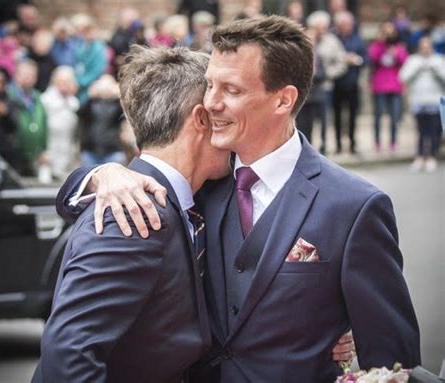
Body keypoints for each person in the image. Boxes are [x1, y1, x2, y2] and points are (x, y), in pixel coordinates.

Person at [57, 16, 420, 382]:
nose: (210, 103)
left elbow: (392, 361)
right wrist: (101, 174)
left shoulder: (354, 207)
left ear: (283, 100)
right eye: (209, 85)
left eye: (230, 89)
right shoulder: (200, 183)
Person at [32, 45, 225, 383]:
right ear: (201, 119)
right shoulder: (131, 215)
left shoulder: (194, 195)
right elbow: (69, 356)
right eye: (220, 108)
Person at [400, 35, 445, 173]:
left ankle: (431, 156)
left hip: (434, 101)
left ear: (431, 47)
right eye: (423, 47)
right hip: (418, 101)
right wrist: (417, 70)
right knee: (421, 131)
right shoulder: (413, 60)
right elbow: (402, 77)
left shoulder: (439, 60)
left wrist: (435, 70)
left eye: (428, 47)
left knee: (433, 131)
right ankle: (419, 157)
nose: (425, 49)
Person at [306, 10, 347, 154]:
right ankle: (308, 146)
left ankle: (323, 146)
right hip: (308, 88)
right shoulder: (307, 40)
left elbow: (342, 61)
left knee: (324, 119)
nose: (321, 30)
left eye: (324, 26)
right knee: (308, 121)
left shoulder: (332, 41)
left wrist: (328, 74)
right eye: (318, 27)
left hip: (325, 86)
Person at [368, 21, 408, 152]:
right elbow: (372, 57)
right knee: (378, 115)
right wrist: (380, 43)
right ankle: (377, 141)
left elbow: (404, 61)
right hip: (380, 84)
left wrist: (395, 51)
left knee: (395, 115)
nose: (388, 35)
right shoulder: (377, 46)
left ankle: (393, 141)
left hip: (395, 85)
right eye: (385, 32)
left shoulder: (398, 47)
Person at [332, 11, 366, 154]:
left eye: (349, 24)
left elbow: (366, 58)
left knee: (353, 115)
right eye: (344, 24)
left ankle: (352, 143)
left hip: (353, 83)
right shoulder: (333, 39)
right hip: (337, 83)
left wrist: (357, 60)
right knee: (337, 116)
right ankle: (338, 144)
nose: (347, 27)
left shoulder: (358, 39)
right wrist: (343, 59)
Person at [7, 59, 48, 176]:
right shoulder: (9, 95)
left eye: (32, 75)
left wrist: (43, 149)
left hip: (33, 156)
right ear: (16, 75)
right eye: (25, 74)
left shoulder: (37, 97)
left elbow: (43, 124)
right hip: (14, 154)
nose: (28, 78)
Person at [77, 74, 126, 167]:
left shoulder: (117, 105)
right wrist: (90, 96)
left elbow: (126, 113)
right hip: (90, 150)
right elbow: (80, 113)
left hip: (113, 150)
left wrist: (119, 95)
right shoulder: (91, 104)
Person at [41, 66, 79, 179]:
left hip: (67, 152)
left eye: (68, 81)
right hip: (48, 151)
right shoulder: (45, 100)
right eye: (62, 81)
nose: (65, 84)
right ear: (54, 81)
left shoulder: (74, 103)